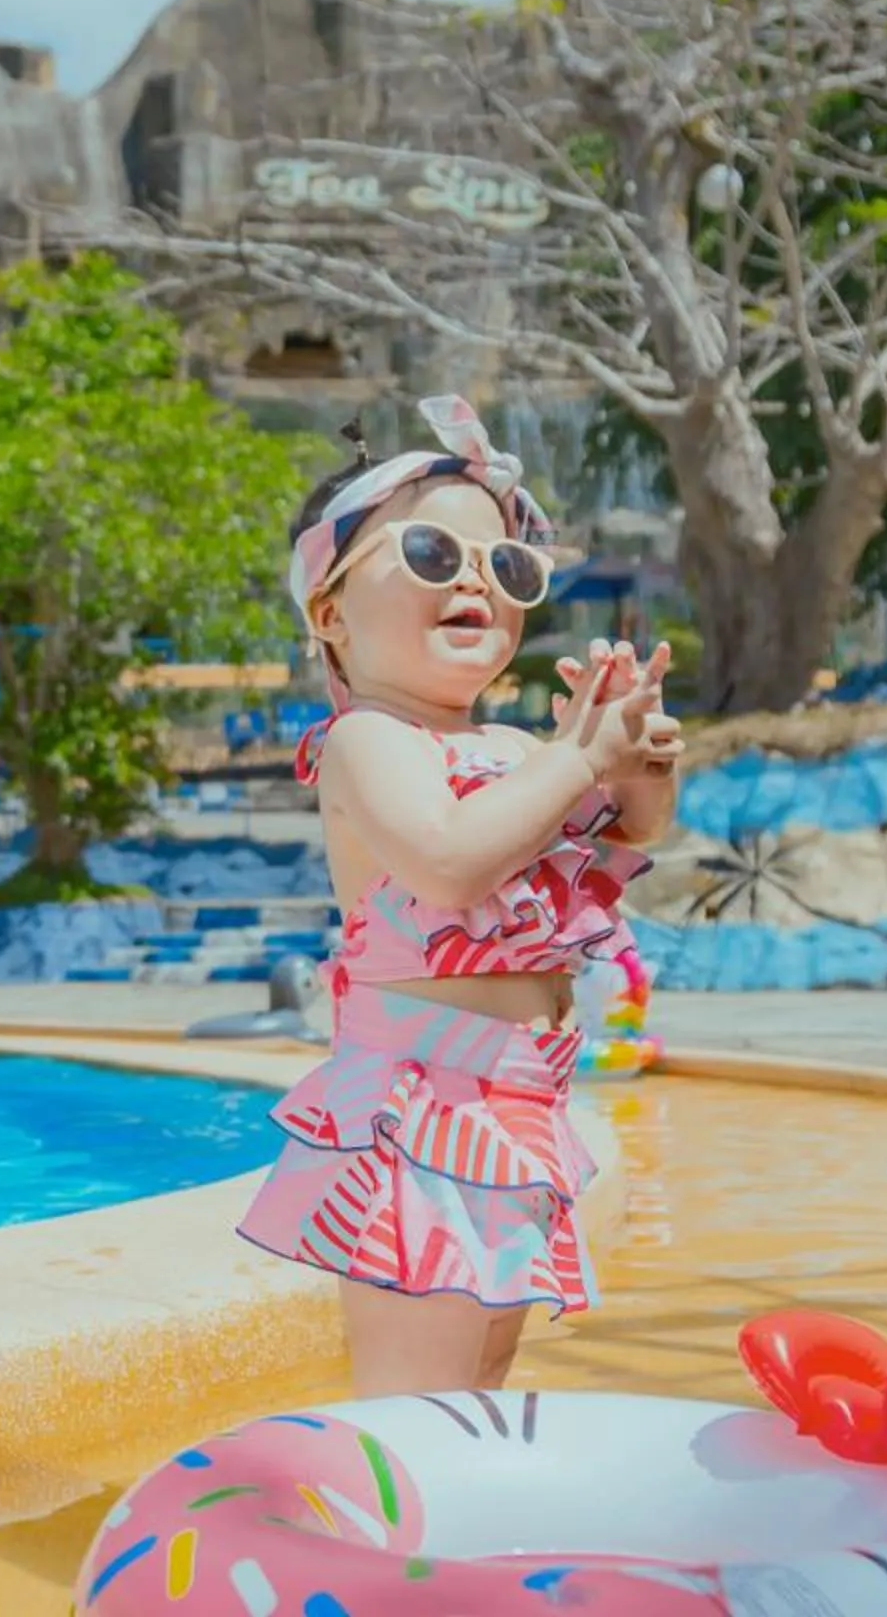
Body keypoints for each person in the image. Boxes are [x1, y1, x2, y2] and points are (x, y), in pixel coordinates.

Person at [237, 396, 682, 1398]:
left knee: (485, 1369)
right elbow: (445, 859)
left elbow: (629, 831)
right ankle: (387, 1540)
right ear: (332, 611)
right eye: (434, 554)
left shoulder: (521, 750)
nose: (477, 577)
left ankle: (447, 1539)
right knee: (420, 1384)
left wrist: (638, 756)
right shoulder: (367, 743)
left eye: (508, 567)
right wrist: (581, 758)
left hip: (521, 1105)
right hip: (419, 1107)